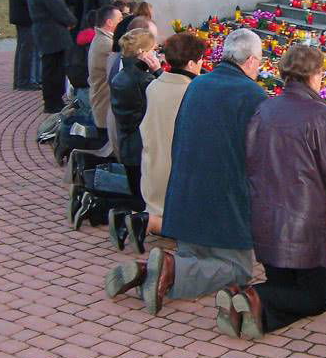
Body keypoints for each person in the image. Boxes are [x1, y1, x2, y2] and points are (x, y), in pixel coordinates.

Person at [104, 29, 267, 316]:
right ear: (252, 61)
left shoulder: (198, 85)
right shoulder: (253, 94)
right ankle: (169, 269)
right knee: (239, 271)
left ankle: (153, 273)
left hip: (184, 196)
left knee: (195, 257)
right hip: (224, 203)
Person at [215, 46, 326, 340]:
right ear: (315, 75)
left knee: (286, 286)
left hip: (266, 215)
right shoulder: (324, 116)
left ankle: (253, 309)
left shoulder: (265, 109)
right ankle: (249, 296)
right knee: (316, 299)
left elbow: (250, 160)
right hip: (305, 223)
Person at [109, 32, 205, 254]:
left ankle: (137, 218)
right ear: (192, 63)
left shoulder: (153, 86)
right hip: (175, 181)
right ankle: (145, 222)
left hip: (151, 172)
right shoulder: (192, 92)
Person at [108, 28, 162, 210]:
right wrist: (158, 71)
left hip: (128, 144)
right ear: (143, 53)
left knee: (135, 193)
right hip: (143, 146)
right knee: (143, 199)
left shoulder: (120, 76)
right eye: (153, 50)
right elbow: (165, 100)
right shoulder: (144, 80)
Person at [28, 0, 77, 114]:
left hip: (47, 32)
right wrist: (71, 21)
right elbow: (59, 9)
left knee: (51, 68)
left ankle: (53, 100)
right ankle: (53, 102)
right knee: (54, 69)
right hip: (52, 34)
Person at [9, 0, 40, 90]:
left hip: (19, 16)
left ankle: (19, 79)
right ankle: (24, 81)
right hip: (26, 17)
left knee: (22, 48)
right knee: (27, 49)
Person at [88, 6, 121, 131]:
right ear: (109, 22)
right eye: (120, 19)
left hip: (102, 102)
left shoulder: (102, 39)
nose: (122, 22)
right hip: (104, 105)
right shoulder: (106, 44)